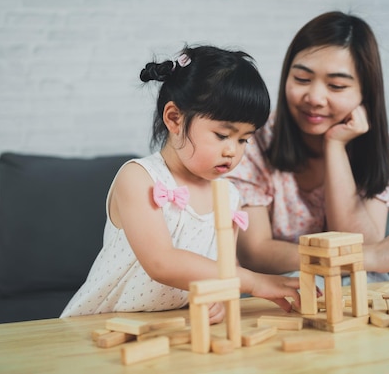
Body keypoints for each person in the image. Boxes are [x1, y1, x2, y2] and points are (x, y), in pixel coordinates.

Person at [60, 45, 301, 323]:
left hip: (172, 326)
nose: (233, 151)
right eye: (223, 135)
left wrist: (220, 299)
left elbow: (223, 267)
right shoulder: (139, 178)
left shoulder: (229, 195)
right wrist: (251, 281)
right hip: (105, 323)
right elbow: (161, 262)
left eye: (244, 139)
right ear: (174, 118)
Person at [226, 11, 389, 283]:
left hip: (351, 283)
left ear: (365, 92)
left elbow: (364, 241)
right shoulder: (254, 139)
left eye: (337, 85)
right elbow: (255, 253)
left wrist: (335, 146)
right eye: (302, 80)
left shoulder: (380, 143)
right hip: (277, 287)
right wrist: (364, 256)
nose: (315, 98)